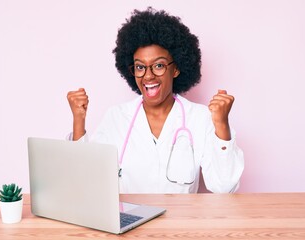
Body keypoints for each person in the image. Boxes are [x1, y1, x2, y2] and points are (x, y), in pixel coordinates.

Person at [67, 7, 244, 194]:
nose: (148, 76)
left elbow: (224, 187)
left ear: (176, 69)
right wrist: (79, 120)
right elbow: (86, 181)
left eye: (159, 65)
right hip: (129, 220)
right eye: (140, 67)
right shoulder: (117, 117)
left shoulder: (199, 118)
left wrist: (222, 124)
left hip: (181, 221)